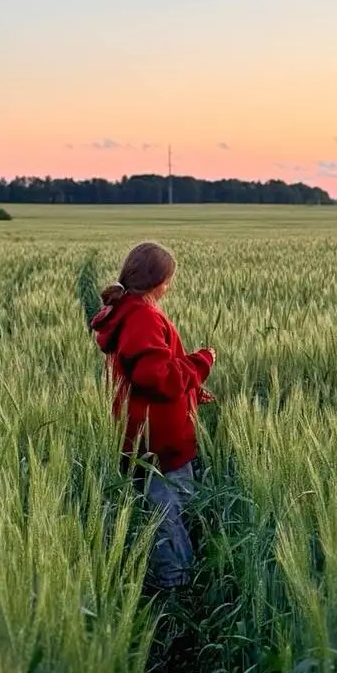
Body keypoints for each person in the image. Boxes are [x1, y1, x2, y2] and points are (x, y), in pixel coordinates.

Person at [90, 241, 215, 592]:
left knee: (165, 509)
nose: (170, 287)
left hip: (145, 430)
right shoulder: (143, 317)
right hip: (160, 440)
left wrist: (190, 392)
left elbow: (145, 376)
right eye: (168, 280)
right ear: (156, 281)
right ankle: (174, 587)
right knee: (168, 513)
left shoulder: (127, 313)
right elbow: (155, 376)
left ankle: (170, 577)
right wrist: (199, 363)